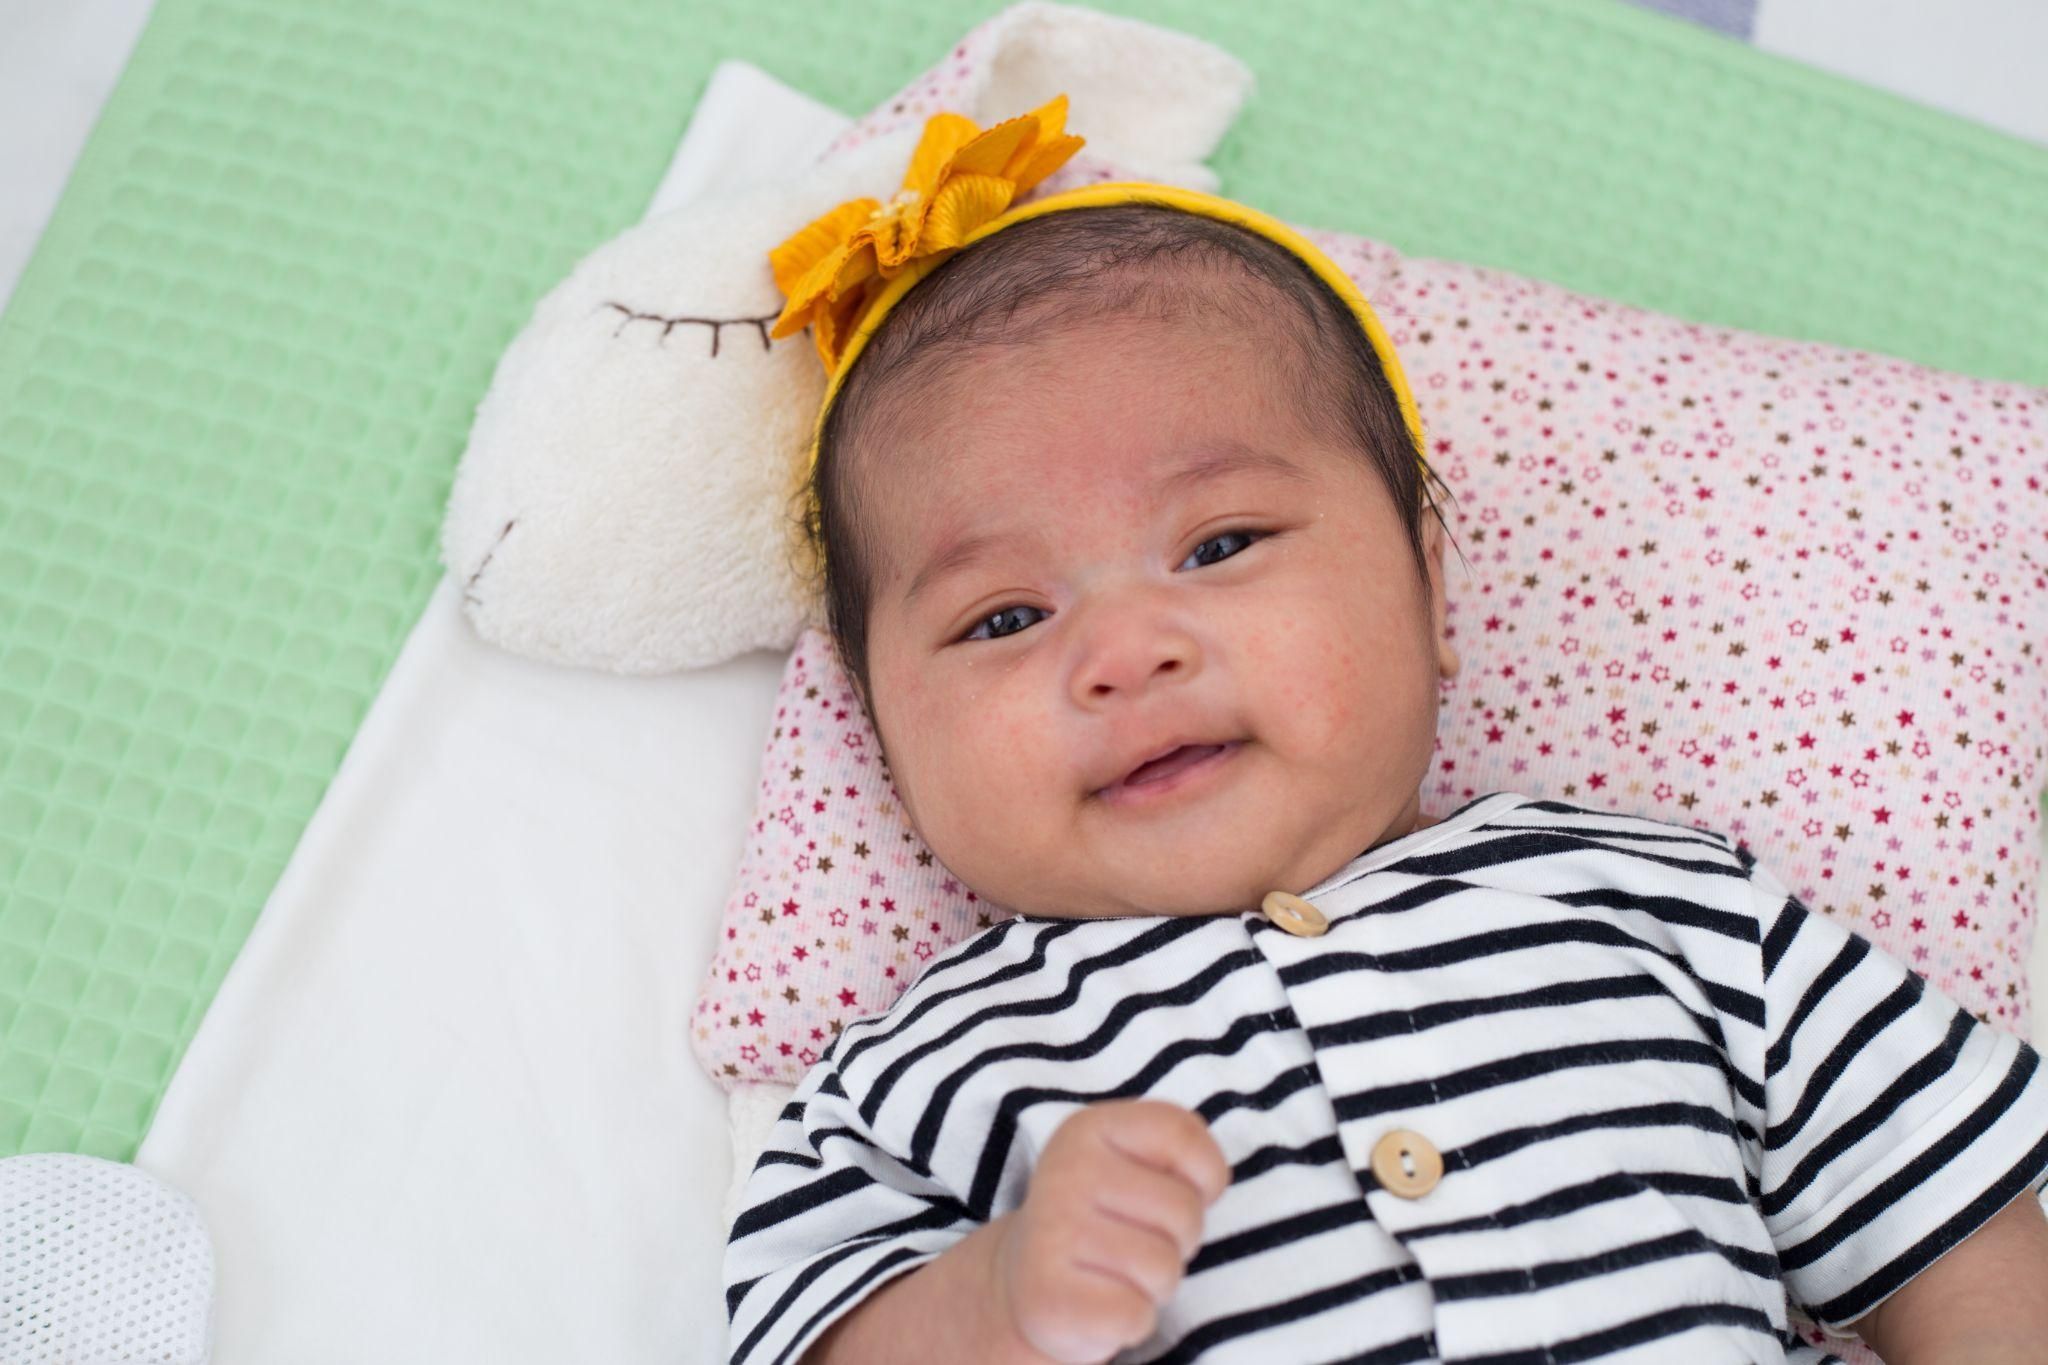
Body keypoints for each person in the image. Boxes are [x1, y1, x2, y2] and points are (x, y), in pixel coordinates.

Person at [725, 102, 2048, 1364]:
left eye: (1222, 542)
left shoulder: (1659, 901)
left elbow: (1959, 1232)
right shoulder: (933, 1068)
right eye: (1004, 618)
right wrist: (998, 1302)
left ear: (1430, 588)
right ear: (884, 734)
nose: (1123, 654)